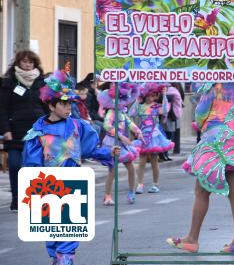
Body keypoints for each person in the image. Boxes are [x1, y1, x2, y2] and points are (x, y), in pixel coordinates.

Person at [21, 67, 120, 265]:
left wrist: (108, 152)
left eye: (70, 105)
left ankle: (65, 258)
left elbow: (89, 149)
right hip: (48, 187)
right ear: (51, 106)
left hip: (73, 186)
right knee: (51, 228)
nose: (68, 109)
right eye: (63, 104)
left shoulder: (78, 126)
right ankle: (57, 257)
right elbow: (31, 164)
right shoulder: (37, 132)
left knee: (71, 227)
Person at [167, 82, 234, 253]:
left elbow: (201, 112)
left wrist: (203, 125)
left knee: (202, 191)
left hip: (215, 138)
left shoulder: (214, 81)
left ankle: (192, 239)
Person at [0, 50, 47, 212]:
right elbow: (3, 109)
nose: (27, 64)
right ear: (18, 63)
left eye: (30, 62)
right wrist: (5, 129)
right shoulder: (9, 82)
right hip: (15, 131)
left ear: (35, 64)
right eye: (24, 61)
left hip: (37, 131)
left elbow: (48, 106)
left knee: (36, 166)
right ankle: (16, 199)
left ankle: (35, 198)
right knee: (14, 165)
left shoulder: (42, 83)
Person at [97, 83, 143, 205]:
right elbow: (107, 126)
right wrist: (120, 135)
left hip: (122, 143)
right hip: (112, 143)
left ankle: (131, 192)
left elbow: (129, 123)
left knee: (131, 168)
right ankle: (107, 195)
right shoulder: (111, 112)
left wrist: (138, 131)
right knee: (112, 170)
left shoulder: (122, 112)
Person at [132, 83, 174, 194]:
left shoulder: (156, 106)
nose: (152, 97)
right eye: (150, 95)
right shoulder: (140, 107)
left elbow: (165, 110)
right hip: (143, 136)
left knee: (154, 162)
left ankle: (155, 184)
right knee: (141, 162)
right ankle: (140, 184)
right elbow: (130, 113)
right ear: (145, 95)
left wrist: (164, 95)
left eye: (154, 95)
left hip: (154, 136)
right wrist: (136, 100)